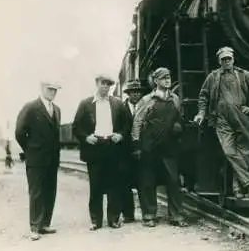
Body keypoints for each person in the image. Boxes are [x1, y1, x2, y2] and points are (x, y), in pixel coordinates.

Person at [193, 47, 249, 199]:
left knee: (244, 153)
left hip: (242, 117)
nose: (226, 62)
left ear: (233, 60)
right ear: (219, 61)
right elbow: (203, 96)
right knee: (229, 151)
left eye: (229, 59)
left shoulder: (244, 75)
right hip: (221, 119)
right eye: (223, 59)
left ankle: (238, 190)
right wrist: (201, 113)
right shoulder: (213, 77)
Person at [72, 74, 130, 231]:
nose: (105, 87)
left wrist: (121, 134)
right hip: (95, 148)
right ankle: (96, 220)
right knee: (95, 185)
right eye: (103, 84)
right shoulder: (85, 104)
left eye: (108, 84)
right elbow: (76, 127)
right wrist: (86, 138)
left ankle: (113, 219)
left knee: (114, 185)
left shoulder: (117, 104)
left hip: (112, 147)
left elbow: (127, 124)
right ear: (96, 84)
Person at [132, 67, 188, 228]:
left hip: (169, 147)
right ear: (156, 81)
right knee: (148, 182)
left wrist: (179, 126)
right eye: (163, 78)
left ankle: (176, 215)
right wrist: (136, 144)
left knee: (174, 181)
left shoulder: (175, 99)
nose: (167, 80)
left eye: (169, 77)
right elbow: (137, 123)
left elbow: (179, 118)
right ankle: (149, 215)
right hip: (149, 147)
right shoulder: (147, 100)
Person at [15, 81, 62, 241]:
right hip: (36, 159)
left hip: (52, 159)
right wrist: (30, 150)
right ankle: (35, 227)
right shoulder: (31, 107)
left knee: (50, 191)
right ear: (42, 89)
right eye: (50, 89)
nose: (53, 92)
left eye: (55, 90)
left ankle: (44, 224)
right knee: (36, 192)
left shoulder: (57, 110)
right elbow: (19, 132)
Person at [119, 80, 144, 223]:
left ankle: (146, 213)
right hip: (125, 153)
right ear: (128, 94)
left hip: (142, 151)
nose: (135, 94)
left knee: (143, 182)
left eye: (138, 92)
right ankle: (128, 214)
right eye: (133, 92)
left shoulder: (146, 106)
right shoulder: (121, 108)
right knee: (125, 184)